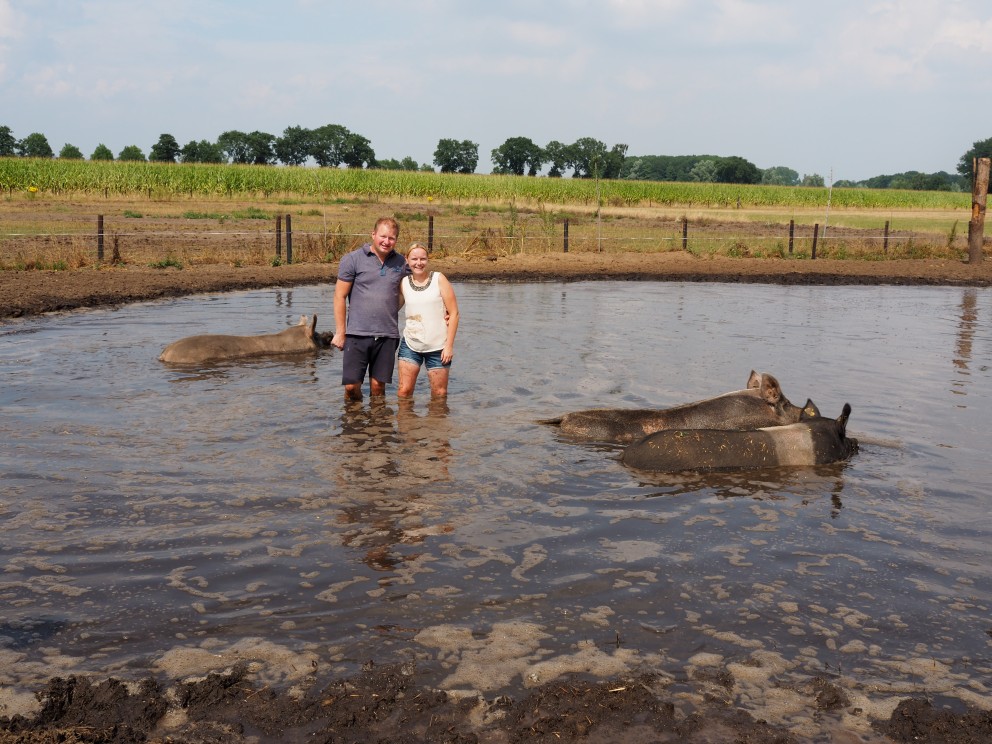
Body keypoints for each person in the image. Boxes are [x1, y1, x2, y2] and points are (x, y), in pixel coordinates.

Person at [332, 217, 410, 401]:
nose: (386, 241)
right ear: (373, 234)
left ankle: (377, 426)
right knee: (351, 387)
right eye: (383, 236)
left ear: (396, 240)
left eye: (392, 238)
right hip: (357, 333)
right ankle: (353, 421)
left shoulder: (401, 263)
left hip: (387, 335)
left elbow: (418, 289)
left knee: (377, 387)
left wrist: (445, 312)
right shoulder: (352, 260)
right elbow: (339, 296)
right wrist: (340, 332)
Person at [397, 243, 460, 399]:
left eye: (423, 259)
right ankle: (406, 423)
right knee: (404, 392)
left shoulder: (439, 279)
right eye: (414, 259)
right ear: (407, 260)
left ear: (428, 260)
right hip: (411, 344)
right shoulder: (403, 283)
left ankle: (435, 424)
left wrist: (449, 347)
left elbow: (454, 314)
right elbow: (391, 308)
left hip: (438, 347)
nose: (419, 263)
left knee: (439, 394)